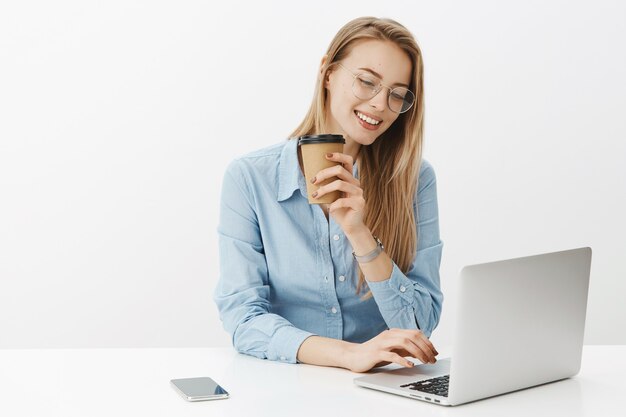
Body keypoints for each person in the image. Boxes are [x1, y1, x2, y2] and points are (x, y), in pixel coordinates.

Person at [214, 16, 443, 373]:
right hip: (285, 383)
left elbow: (419, 325)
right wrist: (349, 355)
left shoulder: (414, 180)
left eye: (397, 94)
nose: (380, 104)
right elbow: (243, 320)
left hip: (382, 389)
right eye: (367, 81)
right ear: (328, 73)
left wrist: (359, 234)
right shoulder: (249, 178)